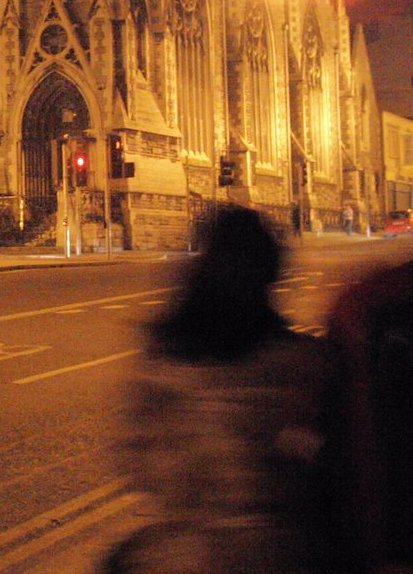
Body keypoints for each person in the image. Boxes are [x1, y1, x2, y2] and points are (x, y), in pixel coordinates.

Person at [108, 205, 334, 572]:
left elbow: (139, 458)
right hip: (281, 553)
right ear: (272, 277)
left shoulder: (167, 358)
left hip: (194, 549)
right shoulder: (301, 362)